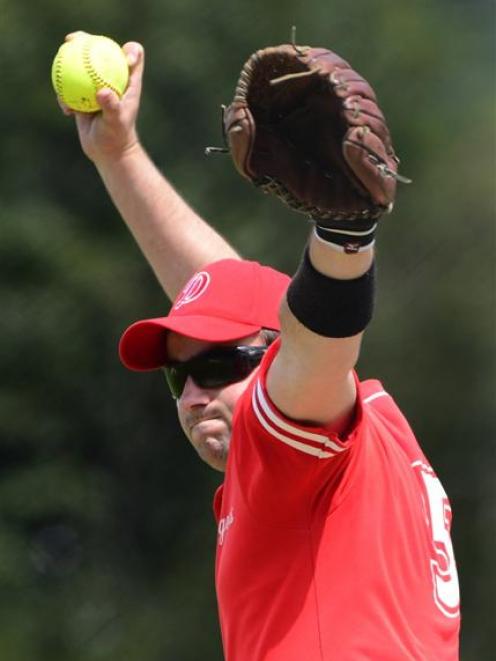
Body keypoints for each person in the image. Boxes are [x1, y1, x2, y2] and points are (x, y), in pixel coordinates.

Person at [61, 33, 460, 660]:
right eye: (178, 376)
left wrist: (344, 234)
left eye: (219, 366)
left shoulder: (286, 443)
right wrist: (121, 155)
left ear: (275, 356)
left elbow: (319, 341)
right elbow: (226, 295)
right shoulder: (372, 429)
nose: (194, 395)